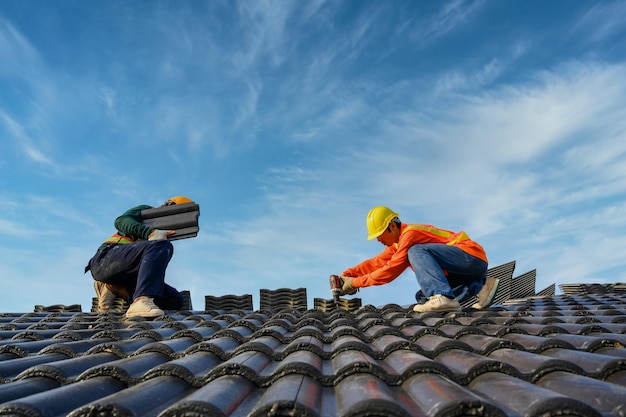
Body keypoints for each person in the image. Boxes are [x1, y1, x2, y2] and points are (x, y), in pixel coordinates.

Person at [337, 206, 499, 313]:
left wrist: (355, 283)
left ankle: (443, 297)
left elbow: (390, 270)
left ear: (392, 226)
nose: (378, 241)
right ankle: (481, 287)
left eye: (379, 235)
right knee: (422, 298)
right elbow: (375, 263)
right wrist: (348, 274)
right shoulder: (398, 244)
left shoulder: (410, 235)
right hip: (464, 270)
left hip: (470, 256)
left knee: (415, 251)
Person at [85, 196, 193, 318]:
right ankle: (141, 300)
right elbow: (120, 221)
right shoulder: (147, 211)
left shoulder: (160, 237)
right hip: (105, 259)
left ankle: (114, 286)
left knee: (175, 300)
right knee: (162, 245)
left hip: (127, 274)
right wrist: (150, 233)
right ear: (169, 205)